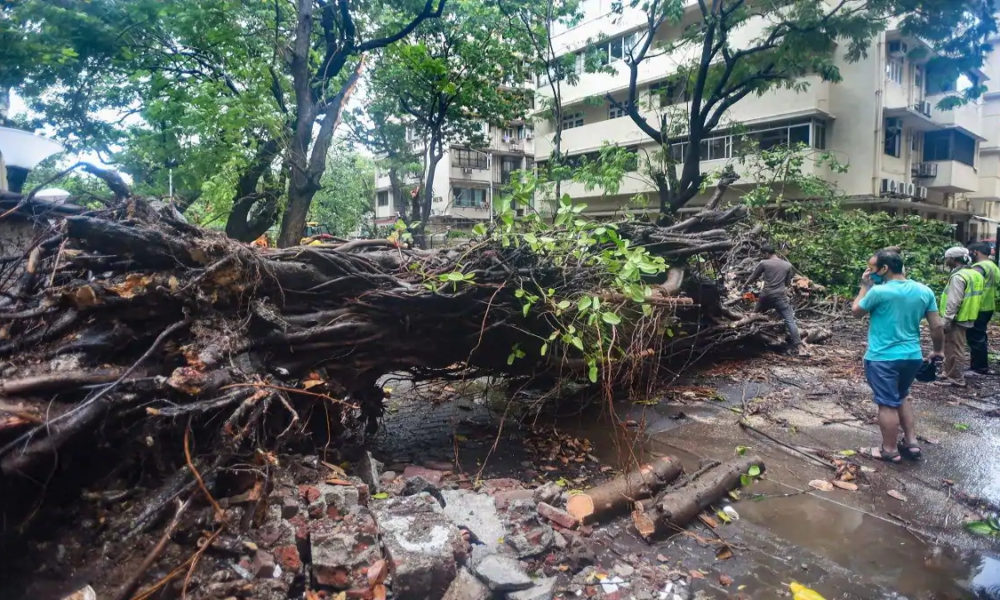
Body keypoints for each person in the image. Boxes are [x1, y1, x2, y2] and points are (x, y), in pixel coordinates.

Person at [852, 249, 943, 463]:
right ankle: (911, 443)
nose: (870, 273)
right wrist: (938, 350)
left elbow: (856, 311)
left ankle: (889, 450)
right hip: (912, 356)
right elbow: (936, 325)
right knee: (902, 395)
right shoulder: (924, 291)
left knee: (887, 404)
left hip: (882, 357)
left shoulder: (879, 292)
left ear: (885, 269)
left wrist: (864, 287)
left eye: (872, 269)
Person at [937, 246, 985, 387]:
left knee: (955, 348)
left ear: (953, 260)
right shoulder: (975, 274)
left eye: (947, 259)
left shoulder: (958, 277)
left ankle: (956, 378)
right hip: (969, 315)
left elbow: (954, 301)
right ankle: (947, 372)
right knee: (951, 346)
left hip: (957, 318)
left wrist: (946, 320)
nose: (946, 261)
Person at [746, 244, 805, 355]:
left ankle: (747, 341)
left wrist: (745, 285)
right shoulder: (787, 265)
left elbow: (753, 277)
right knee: (789, 320)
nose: (763, 256)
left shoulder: (764, 263)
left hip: (765, 296)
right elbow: (787, 283)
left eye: (763, 254)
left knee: (753, 316)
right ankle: (799, 346)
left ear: (766, 253)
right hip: (780, 296)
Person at [967, 241, 998, 374]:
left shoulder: (978, 267)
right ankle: (980, 365)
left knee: (975, 337)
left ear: (976, 252)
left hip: (978, 307)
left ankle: (979, 367)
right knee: (980, 336)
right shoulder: (994, 266)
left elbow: (970, 283)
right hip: (989, 306)